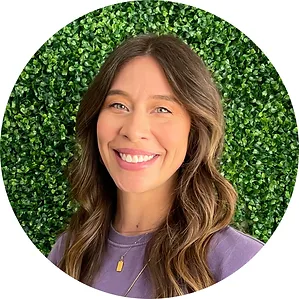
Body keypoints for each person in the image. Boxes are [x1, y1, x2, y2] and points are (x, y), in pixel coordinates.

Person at [48, 33, 264, 298]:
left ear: (194, 129)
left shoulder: (241, 264)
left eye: (162, 109)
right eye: (118, 104)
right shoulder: (68, 251)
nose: (134, 130)